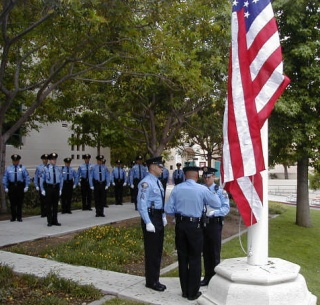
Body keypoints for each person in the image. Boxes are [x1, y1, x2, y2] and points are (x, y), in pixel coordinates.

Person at [164, 166, 221, 301]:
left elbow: (168, 209)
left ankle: (184, 290)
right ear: (197, 176)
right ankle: (193, 292)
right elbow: (217, 203)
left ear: (185, 176)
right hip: (195, 226)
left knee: (183, 259)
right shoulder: (202, 189)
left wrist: (177, 213)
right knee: (195, 259)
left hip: (180, 225)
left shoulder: (177, 188)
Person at [137, 156, 167, 292]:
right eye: (160, 166)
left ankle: (156, 279)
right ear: (152, 167)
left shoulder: (158, 182)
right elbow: (142, 205)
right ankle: (151, 281)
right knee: (152, 251)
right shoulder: (146, 183)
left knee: (158, 250)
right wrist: (148, 222)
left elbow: (160, 201)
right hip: (151, 218)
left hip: (158, 217)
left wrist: (164, 216)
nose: (162, 168)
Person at [200, 166, 230, 286]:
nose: (206, 179)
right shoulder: (201, 189)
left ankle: (215, 280)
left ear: (213, 177)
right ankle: (207, 277)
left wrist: (215, 213)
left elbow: (226, 208)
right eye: (204, 177)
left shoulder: (220, 191)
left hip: (214, 223)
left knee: (214, 252)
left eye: (208, 177)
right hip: (203, 222)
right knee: (205, 251)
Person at [2, 154, 30, 222]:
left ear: (18, 161)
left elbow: (27, 177)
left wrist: (26, 186)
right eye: (14, 161)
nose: (15, 162)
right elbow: (5, 178)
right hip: (11, 187)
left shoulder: (22, 168)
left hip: (20, 186)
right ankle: (13, 217)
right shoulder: (9, 168)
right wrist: (5, 187)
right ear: (12, 161)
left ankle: (19, 217)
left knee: (19, 202)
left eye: (16, 161)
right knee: (12, 203)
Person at [40, 152, 63, 226]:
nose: (54, 161)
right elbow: (41, 179)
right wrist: (42, 189)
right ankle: (49, 221)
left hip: (56, 188)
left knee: (55, 205)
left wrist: (60, 189)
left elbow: (61, 179)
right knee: (49, 205)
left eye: (55, 159)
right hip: (49, 188)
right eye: (53, 159)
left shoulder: (58, 169)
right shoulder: (45, 169)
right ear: (50, 160)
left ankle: (55, 220)